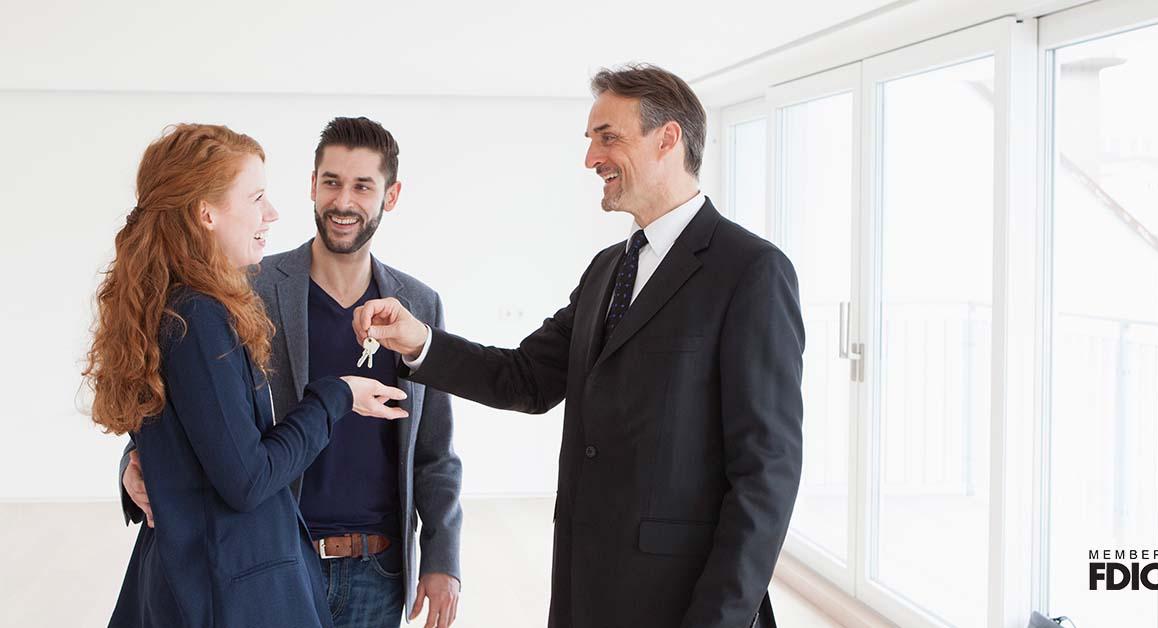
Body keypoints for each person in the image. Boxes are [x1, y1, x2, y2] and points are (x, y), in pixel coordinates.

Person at [355, 64, 805, 628]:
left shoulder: (751, 271)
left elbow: (767, 474)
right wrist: (419, 340)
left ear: (668, 138)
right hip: (585, 591)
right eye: (591, 140)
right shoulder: (607, 270)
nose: (591, 159)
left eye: (608, 137)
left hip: (685, 602)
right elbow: (525, 377)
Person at [119, 117, 463, 628]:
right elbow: (192, 409)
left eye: (362, 186)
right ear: (312, 186)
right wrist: (134, 463)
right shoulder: (240, 290)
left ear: (390, 196)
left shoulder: (417, 306)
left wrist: (441, 558)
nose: (343, 201)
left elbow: (434, 451)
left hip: (378, 567)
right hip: (271, 563)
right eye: (331, 182)